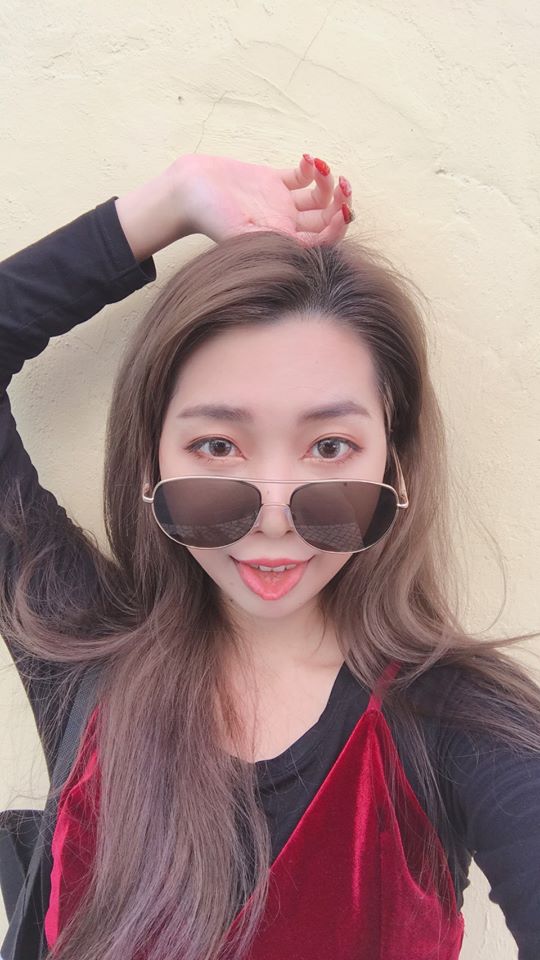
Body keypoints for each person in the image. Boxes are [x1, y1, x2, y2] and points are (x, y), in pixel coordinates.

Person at [0, 151, 539, 960]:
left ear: (394, 467)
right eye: (218, 446)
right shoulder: (84, 661)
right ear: (151, 466)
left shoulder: (460, 723)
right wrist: (174, 200)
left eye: (330, 446)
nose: (277, 517)